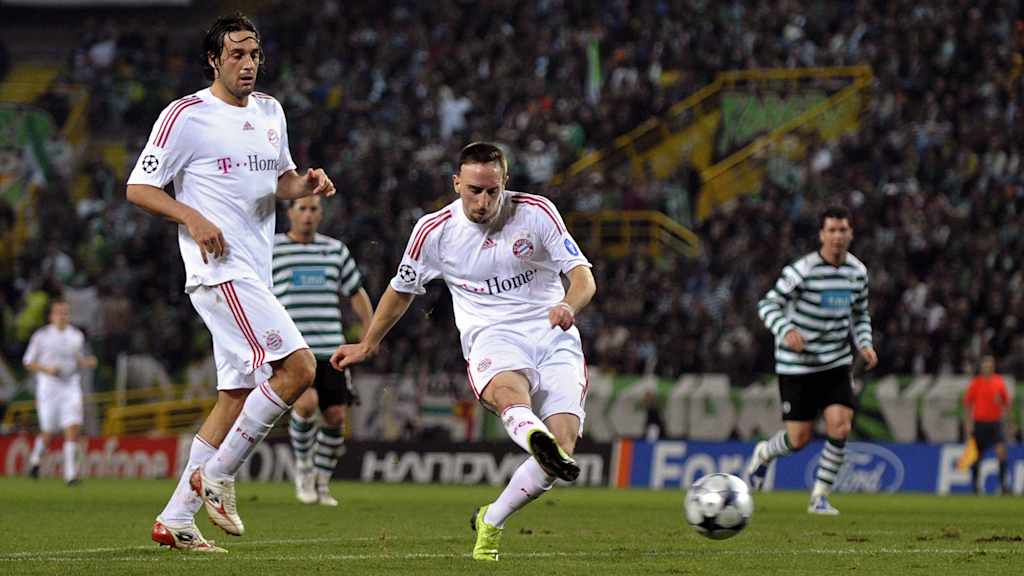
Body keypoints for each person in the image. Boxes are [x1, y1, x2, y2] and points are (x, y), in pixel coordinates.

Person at [126, 13, 335, 553]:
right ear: (214, 60)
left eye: (254, 54)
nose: (248, 64)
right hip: (219, 271)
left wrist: (305, 183)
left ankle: (176, 518)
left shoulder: (270, 112)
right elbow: (139, 187)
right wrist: (191, 217)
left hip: (252, 271)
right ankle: (218, 475)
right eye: (237, 54)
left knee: (237, 395)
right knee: (298, 368)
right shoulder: (186, 116)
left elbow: (280, 180)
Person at [332, 142, 596, 561]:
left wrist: (568, 304)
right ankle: (532, 435)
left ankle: (493, 517)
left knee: (562, 450)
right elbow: (402, 290)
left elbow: (582, 278)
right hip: (492, 337)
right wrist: (369, 343)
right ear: (457, 184)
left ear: (505, 183)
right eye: (474, 190)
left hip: (553, 334)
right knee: (511, 392)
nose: (483, 201)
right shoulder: (434, 231)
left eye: (492, 191)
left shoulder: (537, 212)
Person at [745, 205, 878, 515]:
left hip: (835, 362)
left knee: (840, 426)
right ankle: (764, 453)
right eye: (831, 230)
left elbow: (859, 315)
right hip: (797, 365)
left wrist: (865, 345)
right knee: (799, 438)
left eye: (842, 230)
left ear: (850, 233)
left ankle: (819, 497)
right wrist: (786, 329)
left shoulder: (857, 273)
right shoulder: (802, 270)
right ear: (822, 235)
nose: (837, 236)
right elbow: (767, 305)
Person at [273, 195, 374, 506]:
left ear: (321, 214)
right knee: (306, 405)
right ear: (290, 212)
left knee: (335, 416)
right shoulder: (271, 249)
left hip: (331, 349)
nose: (307, 215)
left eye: (313, 209)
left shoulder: (334, 250)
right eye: (301, 208)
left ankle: (321, 481)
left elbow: (356, 292)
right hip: (292, 350)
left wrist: (370, 334)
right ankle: (303, 470)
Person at [22, 298, 97, 484]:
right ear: (51, 316)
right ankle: (35, 460)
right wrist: (47, 369)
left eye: (65, 312)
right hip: (48, 387)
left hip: (70, 385)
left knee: (72, 427)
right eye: (59, 312)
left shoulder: (76, 336)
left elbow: (78, 358)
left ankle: (71, 475)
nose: (63, 316)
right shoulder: (42, 336)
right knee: (48, 430)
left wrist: (87, 362)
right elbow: (28, 362)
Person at [963, 354, 1011, 494]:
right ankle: (975, 487)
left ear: (993, 366)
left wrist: (1008, 423)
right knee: (977, 456)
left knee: (1002, 453)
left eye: (990, 364)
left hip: (995, 424)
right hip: (979, 424)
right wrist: (968, 424)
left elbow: (1006, 403)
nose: (987, 367)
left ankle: (1003, 487)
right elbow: (967, 404)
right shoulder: (976, 383)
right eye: (985, 365)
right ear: (982, 367)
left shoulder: (999, 382)